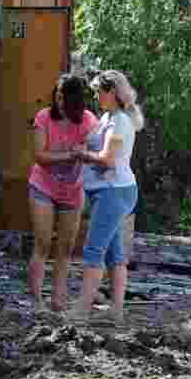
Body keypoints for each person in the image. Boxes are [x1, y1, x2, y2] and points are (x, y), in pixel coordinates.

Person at [71, 69, 143, 325]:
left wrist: (82, 154)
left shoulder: (120, 121)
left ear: (111, 91)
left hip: (114, 192)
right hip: (111, 191)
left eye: (98, 91)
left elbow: (107, 160)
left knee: (93, 250)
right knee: (115, 255)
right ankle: (116, 312)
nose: (96, 96)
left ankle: (81, 311)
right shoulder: (107, 117)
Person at [27, 73, 97, 313]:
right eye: (56, 95)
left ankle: (58, 300)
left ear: (74, 99)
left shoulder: (88, 121)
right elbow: (40, 156)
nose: (58, 100)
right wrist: (71, 154)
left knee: (66, 247)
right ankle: (36, 301)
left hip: (72, 190)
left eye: (63, 96)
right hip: (43, 185)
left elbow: (95, 149)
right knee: (43, 242)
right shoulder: (44, 117)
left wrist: (87, 148)